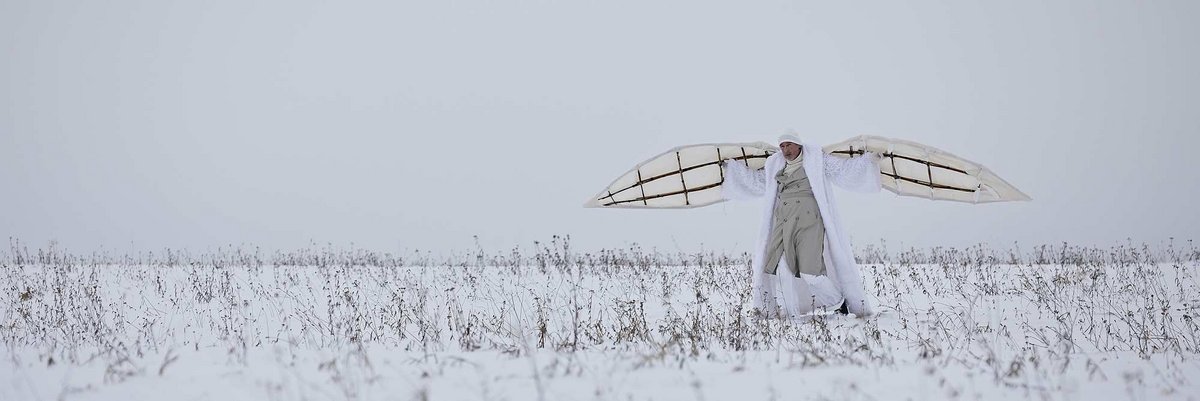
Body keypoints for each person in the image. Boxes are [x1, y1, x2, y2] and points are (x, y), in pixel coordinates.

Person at [722, 131, 882, 318]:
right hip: (783, 224)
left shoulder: (816, 160)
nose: (785, 150)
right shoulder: (775, 166)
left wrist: (869, 161)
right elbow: (758, 183)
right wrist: (733, 170)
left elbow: (842, 170)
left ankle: (838, 302)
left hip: (809, 223)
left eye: (789, 145)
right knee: (782, 270)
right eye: (782, 146)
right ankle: (790, 313)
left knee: (810, 273)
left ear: (798, 144)